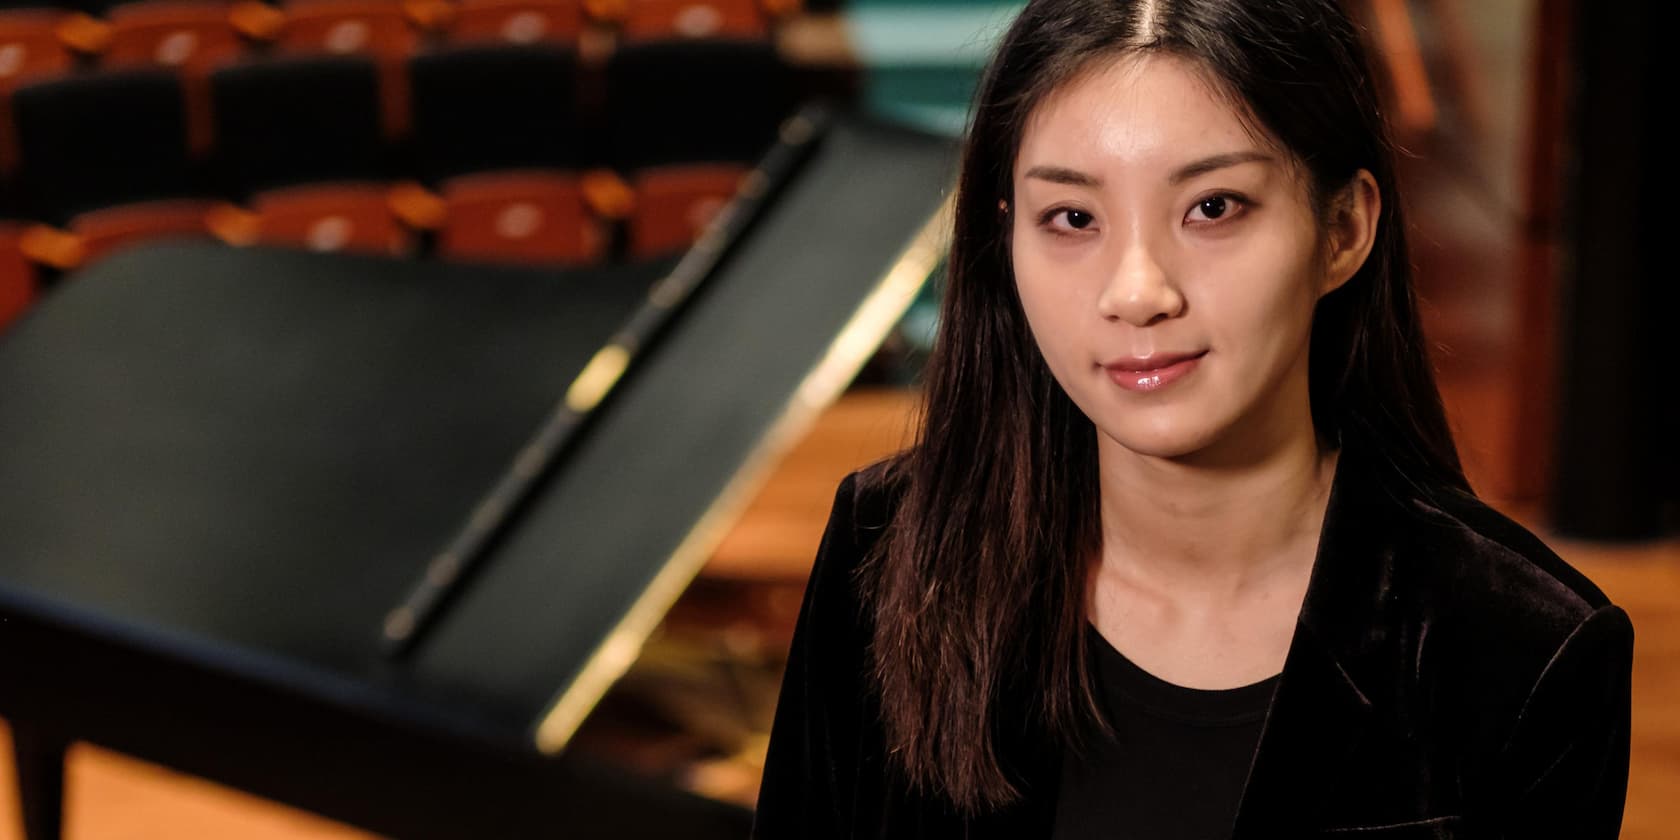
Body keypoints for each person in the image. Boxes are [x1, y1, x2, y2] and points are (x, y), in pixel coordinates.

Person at [752, 0, 1634, 837]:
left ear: (1344, 230)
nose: (1138, 291)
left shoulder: (1523, 647)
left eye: (1213, 208)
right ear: (1004, 236)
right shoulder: (891, 547)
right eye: (1070, 217)